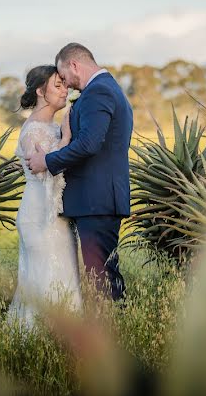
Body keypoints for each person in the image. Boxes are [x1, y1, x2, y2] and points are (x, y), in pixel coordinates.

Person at [25, 43, 132, 301]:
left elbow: (89, 144)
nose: (67, 84)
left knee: (102, 277)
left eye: (64, 77)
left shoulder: (99, 92)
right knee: (102, 274)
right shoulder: (105, 89)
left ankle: (114, 330)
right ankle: (115, 326)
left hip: (97, 200)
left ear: (74, 65)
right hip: (97, 200)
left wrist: (48, 161)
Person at [8, 65, 83, 329]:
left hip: (57, 215)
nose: (65, 91)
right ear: (41, 91)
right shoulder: (32, 131)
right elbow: (42, 172)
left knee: (65, 278)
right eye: (58, 86)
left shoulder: (52, 127)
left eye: (65, 85)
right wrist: (68, 139)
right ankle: (36, 341)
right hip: (39, 216)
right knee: (44, 279)